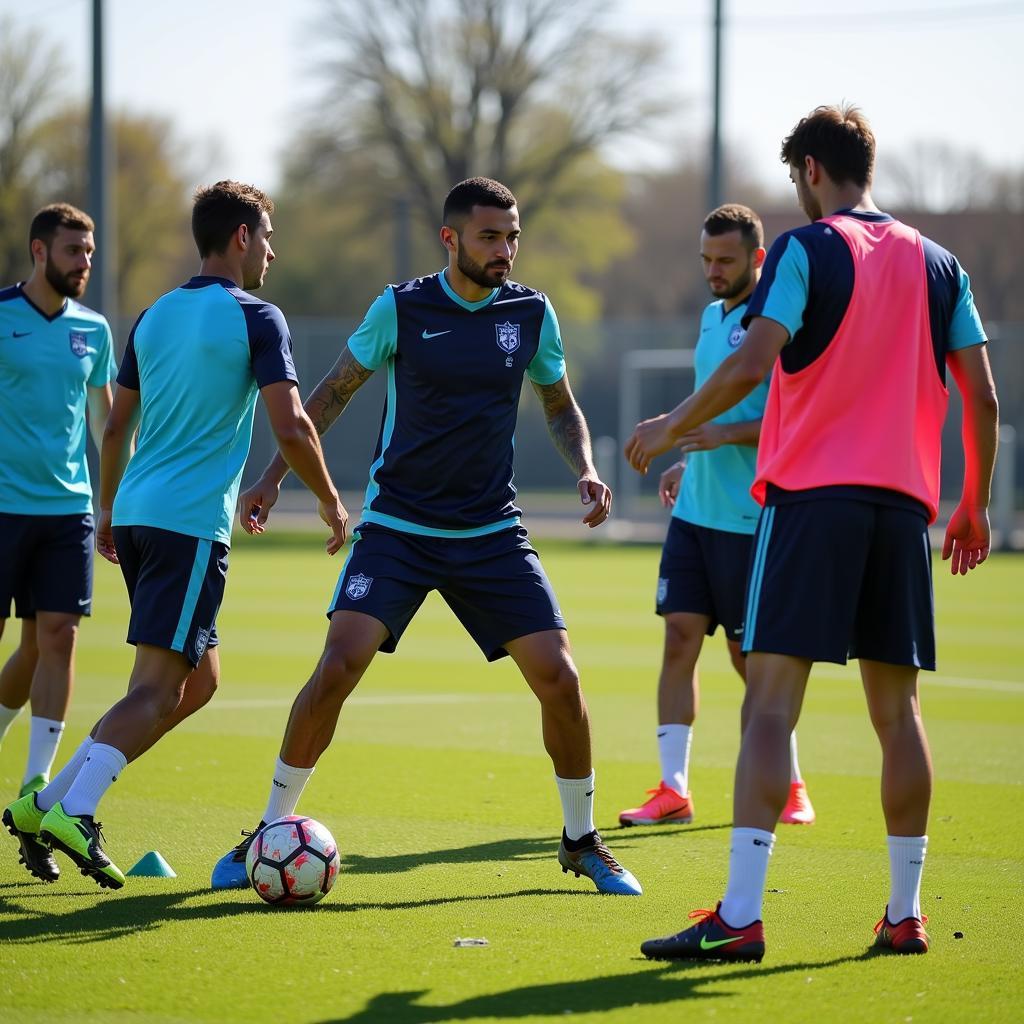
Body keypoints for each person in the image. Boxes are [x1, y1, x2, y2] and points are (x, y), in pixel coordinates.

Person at [626, 105, 997, 960]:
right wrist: (972, 502)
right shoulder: (943, 265)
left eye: (797, 181)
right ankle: (905, 915)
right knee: (898, 715)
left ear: (811, 173)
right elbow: (980, 395)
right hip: (904, 512)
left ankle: (741, 916)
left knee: (768, 706)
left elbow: (754, 361)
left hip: (810, 504)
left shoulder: (803, 249)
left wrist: (673, 422)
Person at [211, 176, 641, 896]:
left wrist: (588, 469)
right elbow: (331, 393)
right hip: (399, 526)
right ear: (451, 239)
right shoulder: (400, 307)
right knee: (338, 666)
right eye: (489, 237)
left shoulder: (531, 313)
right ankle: (269, 829)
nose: (504, 250)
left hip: (491, 530)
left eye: (512, 237)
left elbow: (560, 406)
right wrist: (272, 477)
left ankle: (580, 840)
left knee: (561, 681)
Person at [2, 181, 347, 889]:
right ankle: (81, 811)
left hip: (135, 515)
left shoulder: (155, 314)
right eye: (268, 236)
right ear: (242, 237)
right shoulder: (257, 316)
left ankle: (47, 800)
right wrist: (332, 502)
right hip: (187, 524)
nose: (274, 252)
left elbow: (117, 425)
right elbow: (292, 424)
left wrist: (106, 510)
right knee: (159, 691)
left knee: (196, 681)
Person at [618, 204, 814, 830]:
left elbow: (797, 419)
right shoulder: (710, 317)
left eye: (725, 260)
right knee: (678, 639)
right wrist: (687, 464)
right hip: (695, 516)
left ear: (758, 259)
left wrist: (727, 433)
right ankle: (672, 788)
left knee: (748, 659)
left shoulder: (778, 326)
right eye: (706, 259)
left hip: (751, 522)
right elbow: (708, 406)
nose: (713, 271)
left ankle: (790, 784)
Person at [0, 204, 116, 817]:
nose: (85, 263)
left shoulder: (93, 330)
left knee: (57, 639)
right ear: (40, 251)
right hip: (1, 508)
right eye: (74, 251)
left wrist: (112, 499)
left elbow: (103, 420)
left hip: (67, 509)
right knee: (19, 647)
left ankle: (35, 791)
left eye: (90, 253)